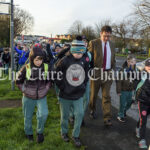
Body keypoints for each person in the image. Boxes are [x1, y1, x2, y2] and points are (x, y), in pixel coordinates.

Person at [54, 39, 90, 147]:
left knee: (79, 114)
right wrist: (63, 87)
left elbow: (86, 75)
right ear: (72, 50)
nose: (79, 55)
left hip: (78, 94)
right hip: (65, 95)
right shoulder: (64, 60)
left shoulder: (84, 60)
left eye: (81, 53)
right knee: (64, 115)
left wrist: (83, 86)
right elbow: (56, 75)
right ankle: (64, 132)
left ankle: (76, 135)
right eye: (77, 53)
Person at [16, 45, 51, 143]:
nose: (39, 62)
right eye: (36, 60)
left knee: (43, 114)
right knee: (27, 116)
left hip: (42, 96)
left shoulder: (46, 67)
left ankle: (40, 132)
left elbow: (49, 81)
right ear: (31, 59)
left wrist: (46, 89)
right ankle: (29, 133)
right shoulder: (26, 68)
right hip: (28, 97)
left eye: (41, 59)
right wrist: (25, 90)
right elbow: (18, 81)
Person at [88, 25, 116, 126]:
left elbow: (114, 59)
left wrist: (113, 70)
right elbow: (89, 58)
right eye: (105, 36)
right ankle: (92, 109)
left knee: (106, 96)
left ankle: (107, 117)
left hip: (108, 73)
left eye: (109, 36)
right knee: (93, 95)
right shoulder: (94, 43)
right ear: (101, 33)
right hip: (96, 73)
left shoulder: (112, 44)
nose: (106, 38)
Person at [116, 54, 136, 122]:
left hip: (130, 90)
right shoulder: (123, 70)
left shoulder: (135, 70)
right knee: (122, 103)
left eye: (134, 62)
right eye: (132, 62)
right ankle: (120, 115)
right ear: (128, 61)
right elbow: (118, 81)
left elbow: (136, 80)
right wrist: (118, 91)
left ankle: (123, 111)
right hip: (123, 90)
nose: (133, 63)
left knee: (129, 103)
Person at [135, 58, 150, 149]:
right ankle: (142, 139)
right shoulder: (143, 75)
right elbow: (137, 66)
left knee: (143, 117)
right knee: (143, 120)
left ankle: (137, 127)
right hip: (143, 101)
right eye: (148, 66)